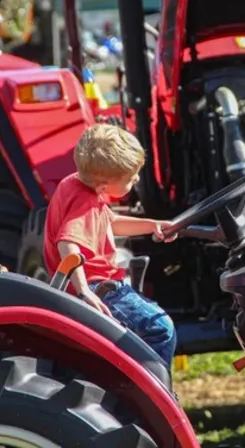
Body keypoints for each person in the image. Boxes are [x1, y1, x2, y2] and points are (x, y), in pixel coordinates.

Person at [43, 124, 178, 366]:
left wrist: (153, 224)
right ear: (103, 187)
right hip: (96, 289)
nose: (136, 179)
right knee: (159, 327)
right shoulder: (85, 202)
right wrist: (84, 292)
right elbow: (67, 243)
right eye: (130, 178)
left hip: (90, 286)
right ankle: (152, 394)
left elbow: (111, 222)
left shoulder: (74, 184)